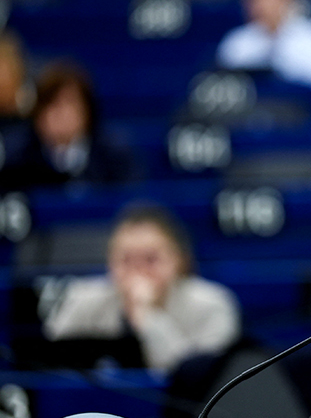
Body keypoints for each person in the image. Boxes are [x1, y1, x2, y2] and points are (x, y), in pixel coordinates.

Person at [43, 204, 241, 374]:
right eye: (126, 260)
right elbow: (51, 363)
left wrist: (148, 316)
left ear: (177, 261)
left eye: (151, 259)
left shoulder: (213, 304)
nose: (137, 271)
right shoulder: (83, 299)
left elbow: (195, 378)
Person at [0, 60, 137, 191]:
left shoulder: (115, 157)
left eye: (69, 104)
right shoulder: (17, 160)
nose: (60, 113)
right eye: (52, 105)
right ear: (37, 114)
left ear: (87, 111)